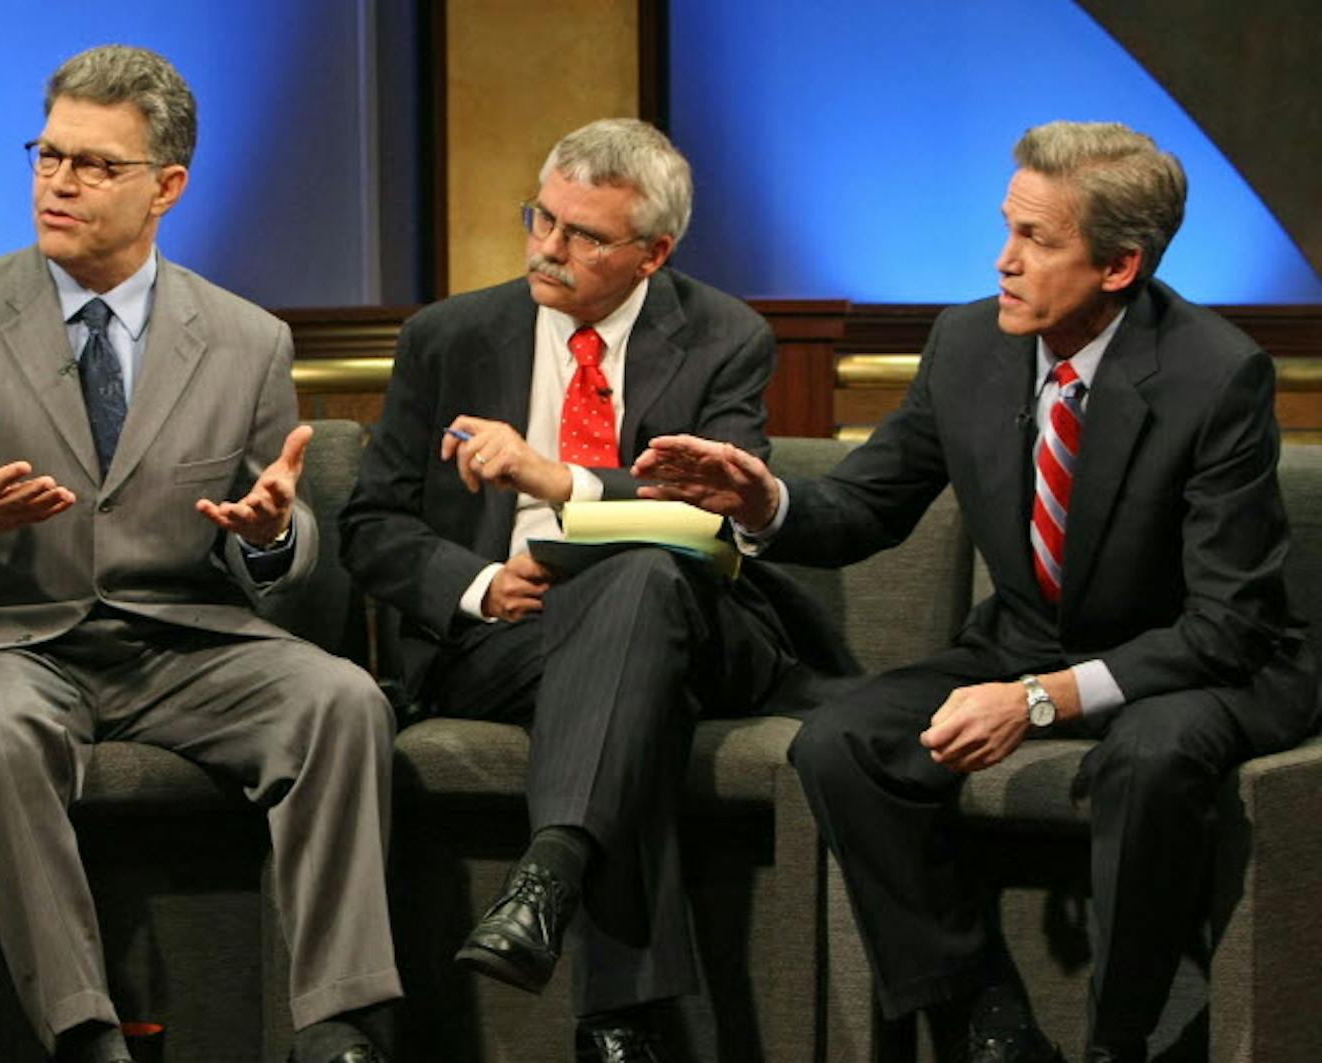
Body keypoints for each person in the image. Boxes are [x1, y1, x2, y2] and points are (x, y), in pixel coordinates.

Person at [634, 121, 1316, 1063]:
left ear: (1119, 267)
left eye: (1038, 240)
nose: (1004, 261)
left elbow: (1228, 624)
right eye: (1007, 228)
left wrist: (1038, 701)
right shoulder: (966, 343)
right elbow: (868, 509)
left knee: (1150, 758)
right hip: (1028, 636)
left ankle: (1119, 1042)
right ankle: (982, 1016)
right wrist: (766, 499)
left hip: (1193, 664)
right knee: (840, 744)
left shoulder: (1215, 375)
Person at [0, 44, 399, 1063]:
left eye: (96, 165)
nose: (59, 182)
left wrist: (276, 535)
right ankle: (81, 1031)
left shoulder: (247, 340)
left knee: (341, 699)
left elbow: (276, 523)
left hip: (179, 640)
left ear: (167, 188)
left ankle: (341, 1026)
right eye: (48, 155)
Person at [339, 118, 852, 1062]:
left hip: (704, 622)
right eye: (542, 218)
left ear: (654, 252)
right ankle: (614, 1013)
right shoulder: (446, 337)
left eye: (584, 236)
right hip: (510, 637)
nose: (548, 248)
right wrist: (484, 583)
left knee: (644, 575)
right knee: (628, 689)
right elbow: (371, 526)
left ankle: (556, 875)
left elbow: (710, 511)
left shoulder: (723, 338)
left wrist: (559, 483)